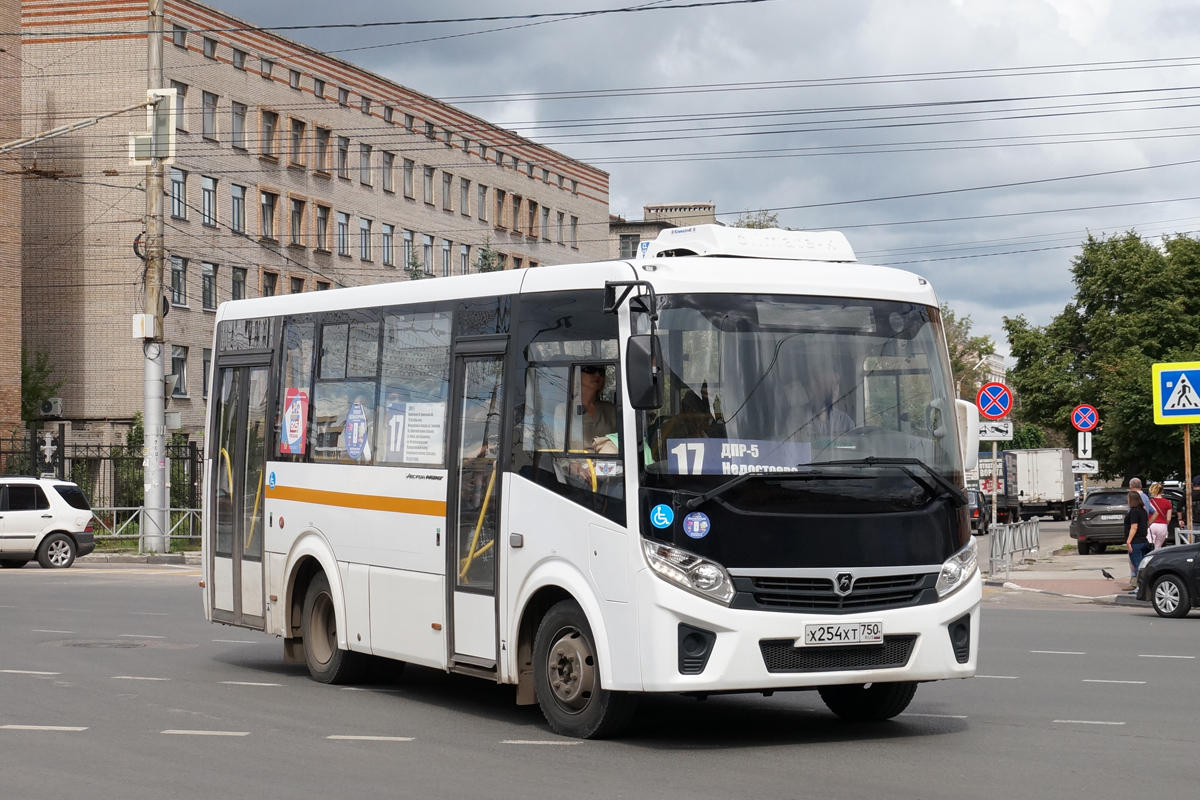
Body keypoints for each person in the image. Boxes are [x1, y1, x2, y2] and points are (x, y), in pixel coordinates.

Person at [571, 364, 618, 453]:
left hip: (608, 465)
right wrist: (577, 466)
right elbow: (559, 449)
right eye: (590, 370)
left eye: (601, 372)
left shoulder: (612, 410)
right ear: (577, 374)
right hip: (578, 464)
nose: (597, 375)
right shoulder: (564, 410)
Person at [810, 370, 855, 438]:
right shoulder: (799, 417)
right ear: (814, 386)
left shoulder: (845, 421)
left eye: (837, 383)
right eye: (828, 383)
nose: (834, 388)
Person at [1124, 490, 1151, 591]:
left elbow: (1134, 527)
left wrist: (1128, 541)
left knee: (1137, 565)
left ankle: (1140, 587)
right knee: (1143, 564)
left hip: (1136, 542)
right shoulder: (1143, 510)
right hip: (1144, 540)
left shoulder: (1133, 511)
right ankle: (1146, 585)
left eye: (1128, 498)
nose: (1127, 500)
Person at [1148, 483, 1172, 549]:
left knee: (1150, 546)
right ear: (1162, 491)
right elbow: (1169, 518)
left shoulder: (1149, 502)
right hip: (1162, 526)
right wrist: (1166, 524)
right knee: (1158, 547)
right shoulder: (1167, 502)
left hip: (1151, 524)